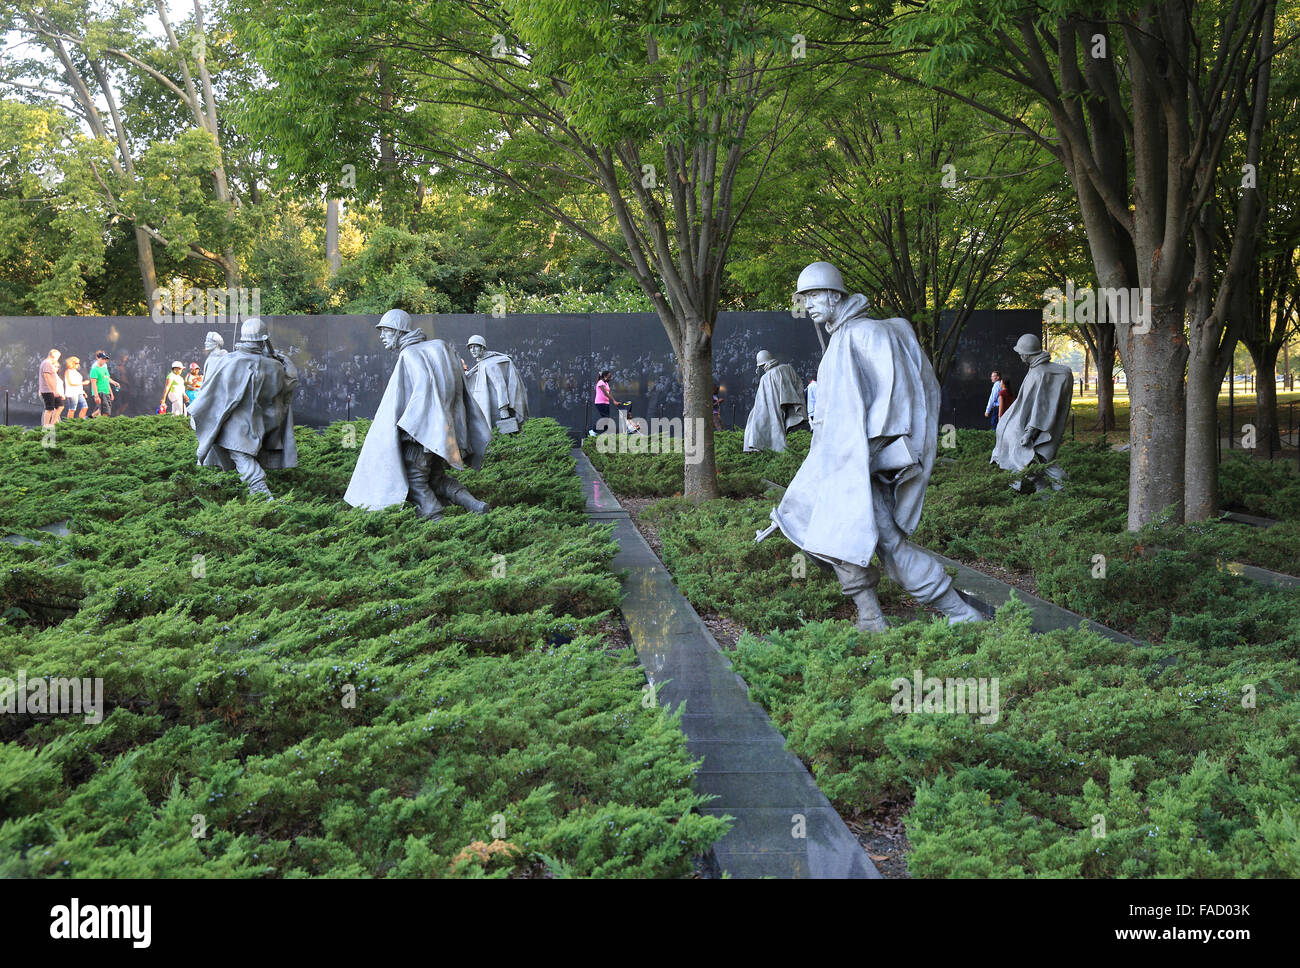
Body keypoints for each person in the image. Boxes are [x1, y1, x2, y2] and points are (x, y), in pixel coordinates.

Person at [761, 261, 985, 632]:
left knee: (880, 545)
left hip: (863, 464)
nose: (808, 304)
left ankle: (957, 614)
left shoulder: (864, 333)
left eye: (814, 295)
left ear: (835, 295)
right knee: (834, 537)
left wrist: (858, 465)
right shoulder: (842, 336)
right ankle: (873, 616)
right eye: (804, 297)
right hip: (847, 464)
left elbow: (895, 400)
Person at [343, 308, 490, 519]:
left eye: (386, 331)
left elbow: (417, 399)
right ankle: (474, 505)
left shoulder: (408, 354)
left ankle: (435, 517)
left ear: (399, 330)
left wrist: (408, 430)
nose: (382, 336)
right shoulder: (439, 347)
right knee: (436, 479)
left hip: (419, 435)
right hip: (444, 433)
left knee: (414, 481)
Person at [190, 317, 299, 498]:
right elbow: (286, 387)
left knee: (242, 457)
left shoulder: (231, 360)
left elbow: (213, 389)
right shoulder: (275, 366)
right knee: (238, 454)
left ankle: (264, 497)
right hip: (260, 423)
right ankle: (239, 491)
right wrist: (283, 361)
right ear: (263, 340)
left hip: (235, 423)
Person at [991, 333, 1073, 492]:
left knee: (1034, 458)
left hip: (1034, 427)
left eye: (1021, 353)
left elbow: (1041, 407)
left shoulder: (1040, 373)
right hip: (1027, 425)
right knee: (1033, 459)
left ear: (1027, 355)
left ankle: (1059, 488)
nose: (1020, 356)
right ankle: (1044, 487)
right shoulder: (1036, 369)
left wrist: (1030, 432)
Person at [743, 350, 806, 453]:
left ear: (763, 364)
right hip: (785, 403)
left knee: (759, 422)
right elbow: (798, 384)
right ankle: (779, 449)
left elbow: (761, 402)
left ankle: (776, 449)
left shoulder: (766, 377)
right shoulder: (787, 368)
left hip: (774, 406)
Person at [464, 334, 528, 434]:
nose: (472, 350)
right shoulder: (481, 363)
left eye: (475, 346)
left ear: (482, 347)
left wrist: (503, 410)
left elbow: (500, 386)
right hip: (488, 406)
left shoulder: (491, 364)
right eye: (470, 347)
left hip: (497, 410)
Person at [589, 369, 625, 436]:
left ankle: (605, 433)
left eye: (610, 376)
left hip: (606, 403)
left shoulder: (606, 383)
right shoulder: (600, 382)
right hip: (600, 403)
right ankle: (593, 430)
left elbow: (608, 393)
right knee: (605, 418)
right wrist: (614, 401)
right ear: (604, 376)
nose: (610, 378)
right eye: (609, 376)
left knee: (607, 419)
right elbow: (605, 394)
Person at [88, 351, 120, 417]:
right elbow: (93, 384)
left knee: (101, 410)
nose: (104, 360)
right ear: (98, 358)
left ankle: (89, 419)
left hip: (106, 392)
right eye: (102, 359)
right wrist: (96, 396)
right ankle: (103, 425)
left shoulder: (104, 368)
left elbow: (107, 378)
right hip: (100, 392)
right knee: (106, 412)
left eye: (105, 359)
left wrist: (114, 383)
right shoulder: (94, 370)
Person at [39, 349, 64, 427]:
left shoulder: (48, 364)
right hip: (48, 390)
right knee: (49, 409)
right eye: (58, 357)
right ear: (53, 356)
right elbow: (47, 377)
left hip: (51, 390)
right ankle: (46, 426)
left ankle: (52, 424)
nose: (57, 359)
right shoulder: (47, 363)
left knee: (60, 406)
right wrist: (54, 390)